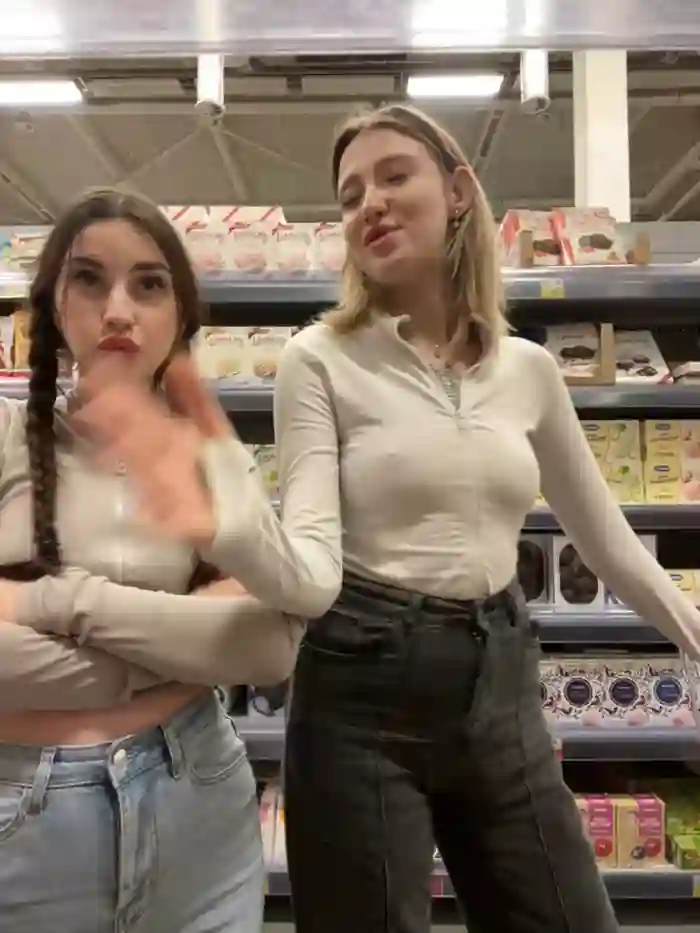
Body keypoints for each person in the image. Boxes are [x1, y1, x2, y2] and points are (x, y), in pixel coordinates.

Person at [61, 108, 700, 933]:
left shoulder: (530, 370)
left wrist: (692, 631)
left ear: (459, 191)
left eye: (395, 176)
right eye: (351, 193)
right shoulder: (319, 359)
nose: (371, 203)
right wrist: (220, 519)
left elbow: (606, 539)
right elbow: (310, 576)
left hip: (501, 684)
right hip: (361, 690)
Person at [0, 188, 304, 933]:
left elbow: (269, 645)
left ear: (180, 315)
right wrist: (182, 649)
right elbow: (232, 639)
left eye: (148, 284)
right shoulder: (5, 434)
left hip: (200, 808)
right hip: (24, 831)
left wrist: (49, 602)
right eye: (89, 279)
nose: (118, 310)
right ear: (52, 305)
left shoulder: (211, 459)